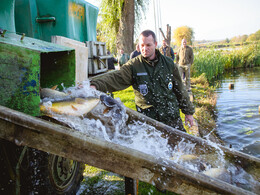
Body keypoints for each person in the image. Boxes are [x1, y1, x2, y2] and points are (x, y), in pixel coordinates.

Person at [90, 30, 195, 132]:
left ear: (155, 44)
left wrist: (188, 112)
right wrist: (95, 85)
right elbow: (117, 77)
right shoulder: (134, 65)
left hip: (171, 117)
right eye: (142, 45)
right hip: (148, 120)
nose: (145, 48)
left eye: (148, 45)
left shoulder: (168, 64)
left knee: (181, 146)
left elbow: (180, 89)